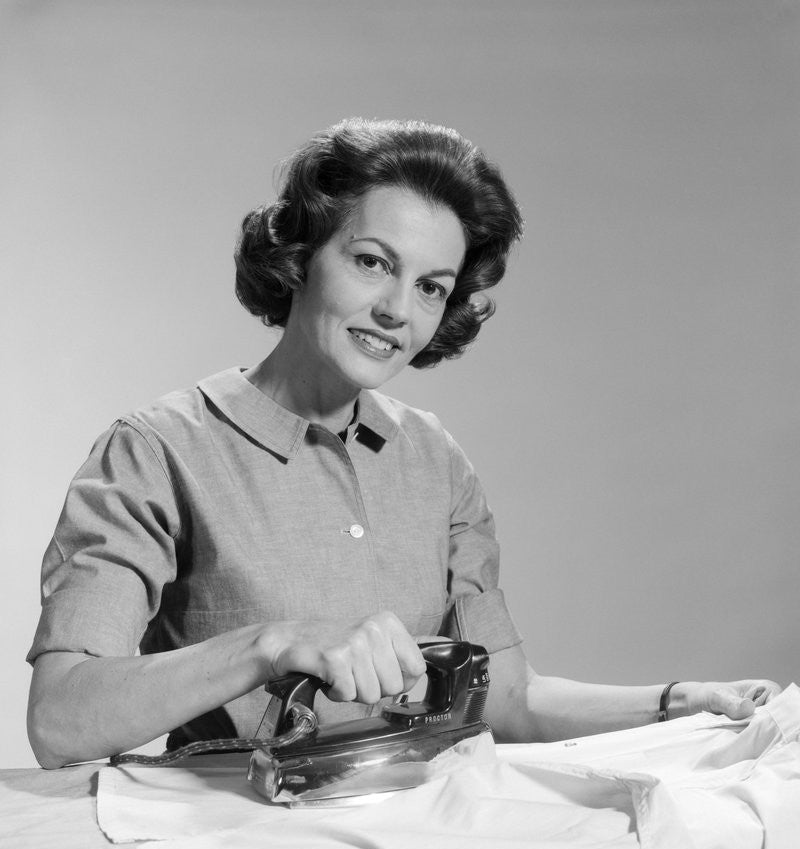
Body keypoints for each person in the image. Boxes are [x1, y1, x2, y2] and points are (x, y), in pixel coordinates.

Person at [27, 117, 781, 770]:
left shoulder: (434, 458)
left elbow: (510, 701)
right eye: (372, 262)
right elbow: (61, 724)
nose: (397, 310)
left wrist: (681, 704)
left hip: (412, 844)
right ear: (300, 254)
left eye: (431, 286)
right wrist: (273, 644)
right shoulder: (157, 450)